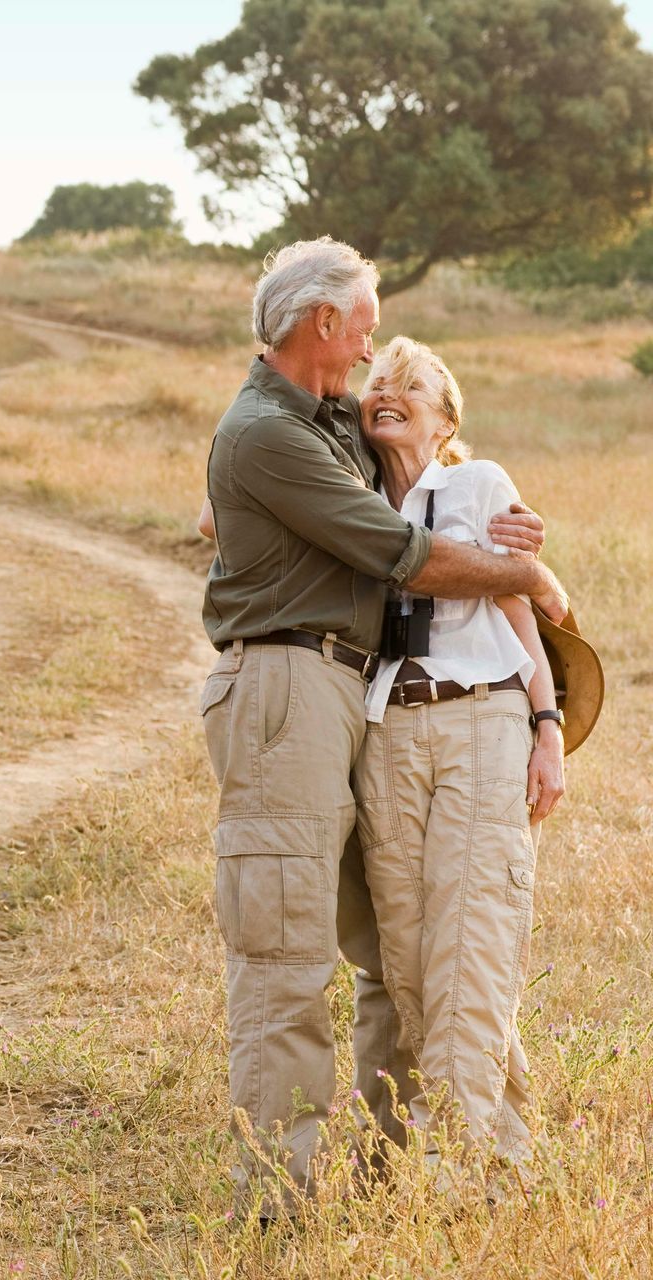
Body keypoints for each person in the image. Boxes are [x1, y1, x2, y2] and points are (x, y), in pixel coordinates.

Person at [197, 237, 565, 1212]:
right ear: (323, 322)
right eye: (365, 327)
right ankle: (278, 1200)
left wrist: (541, 705)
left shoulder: (322, 425)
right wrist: (526, 571)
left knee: (396, 948)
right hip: (288, 683)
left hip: (355, 697)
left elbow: (225, 513)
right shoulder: (271, 431)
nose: (370, 348)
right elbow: (407, 553)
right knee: (286, 952)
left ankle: (419, 1166)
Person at [354, 335, 563, 1168]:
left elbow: (522, 609)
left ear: (446, 421)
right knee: (407, 957)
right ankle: (508, 1158)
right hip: (386, 731)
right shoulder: (352, 492)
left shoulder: (477, 484)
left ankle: (457, 1170)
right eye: (376, 383)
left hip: (480, 717)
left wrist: (546, 729)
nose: (387, 392)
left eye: (410, 385)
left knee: (472, 942)